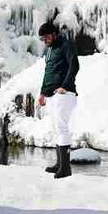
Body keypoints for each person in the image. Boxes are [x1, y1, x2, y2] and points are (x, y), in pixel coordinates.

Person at [38, 22, 79, 179]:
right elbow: (48, 72)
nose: (44, 40)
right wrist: (42, 93)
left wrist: (65, 86)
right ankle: (59, 164)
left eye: (46, 36)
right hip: (51, 95)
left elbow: (74, 65)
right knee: (56, 128)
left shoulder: (65, 44)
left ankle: (66, 168)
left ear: (54, 33)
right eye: (42, 38)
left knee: (62, 128)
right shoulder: (50, 50)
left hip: (64, 94)